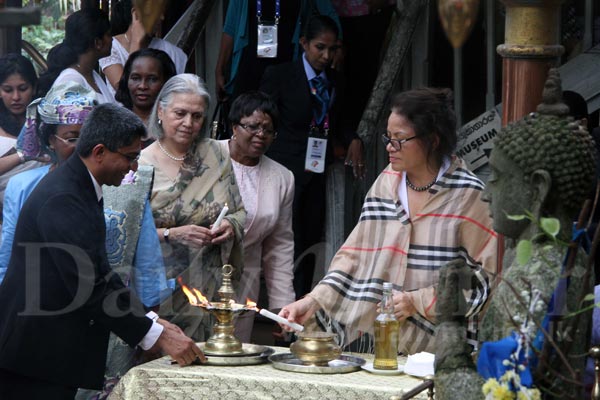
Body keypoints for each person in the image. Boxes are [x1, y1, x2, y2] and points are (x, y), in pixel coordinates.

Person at [0, 103, 203, 400]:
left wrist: (149, 318)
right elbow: (90, 286)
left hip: (47, 355)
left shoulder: (81, 186)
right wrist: (155, 336)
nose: (134, 168)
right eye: (130, 157)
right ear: (99, 152)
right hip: (32, 357)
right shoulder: (63, 198)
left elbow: (101, 273)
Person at [278, 88, 497, 355]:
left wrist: (417, 301)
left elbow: (487, 278)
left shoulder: (469, 194)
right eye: (388, 137)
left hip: (443, 349)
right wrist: (312, 301)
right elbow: (354, 258)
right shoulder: (385, 184)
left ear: (433, 140)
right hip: (383, 343)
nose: (389, 147)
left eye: (400, 139)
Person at [259, 15, 363, 298]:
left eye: (333, 49)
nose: (327, 56)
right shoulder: (280, 75)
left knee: (309, 236)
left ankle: (300, 302)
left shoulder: (336, 81)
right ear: (304, 43)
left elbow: (339, 121)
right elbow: (262, 118)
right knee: (282, 238)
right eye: (320, 47)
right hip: (283, 169)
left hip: (317, 169)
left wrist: (352, 138)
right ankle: (275, 303)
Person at [139, 74, 246, 341]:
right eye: (180, 113)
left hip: (207, 289)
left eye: (197, 116)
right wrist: (170, 234)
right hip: (157, 290)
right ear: (161, 111)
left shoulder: (217, 154)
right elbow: (125, 234)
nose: (189, 123)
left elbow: (239, 211)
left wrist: (228, 226)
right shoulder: (139, 165)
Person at [219, 91, 295, 343]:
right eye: (253, 126)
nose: (261, 135)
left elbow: (279, 247)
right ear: (234, 126)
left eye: (268, 130)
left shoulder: (282, 178)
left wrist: (282, 308)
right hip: (195, 278)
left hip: (244, 282)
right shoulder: (205, 157)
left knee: (232, 355)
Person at [215, 0, 342, 103]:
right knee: (244, 119)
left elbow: (328, 12)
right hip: (249, 66)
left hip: (287, 66)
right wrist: (220, 68)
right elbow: (230, 27)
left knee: (280, 121)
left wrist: (338, 46)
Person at [100, 0, 187, 99]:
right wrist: (136, 42)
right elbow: (124, 92)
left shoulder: (173, 52)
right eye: (157, 12)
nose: (162, 17)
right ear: (136, 14)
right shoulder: (111, 47)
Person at [0, 54, 48, 219]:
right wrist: (23, 156)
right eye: (8, 90)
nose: (15, 97)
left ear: (34, 88)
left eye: (22, 89)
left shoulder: (47, 121)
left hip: (43, 210)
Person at [36, 8, 114, 103]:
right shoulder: (70, 81)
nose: (112, 39)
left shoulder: (92, 75)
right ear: (97, 43)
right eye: (109, 35)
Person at [114, 48, 176, 136]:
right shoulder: (113, 125)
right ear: (126, 80)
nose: (142, 86)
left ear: (166, 82)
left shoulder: (176, 125)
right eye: (135, 78)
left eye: (152, 79)